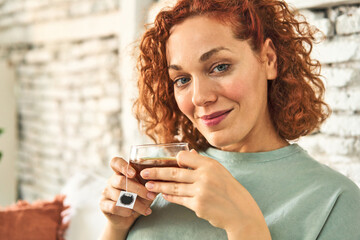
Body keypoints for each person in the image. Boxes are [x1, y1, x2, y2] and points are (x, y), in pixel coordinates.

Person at [99, 0, 360, 239]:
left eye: (220, 67)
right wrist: (117, 227)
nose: (200, 97)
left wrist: (244, 225)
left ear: (269, 60)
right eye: (182, 80)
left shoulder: (336, 202)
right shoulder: (159, 180)